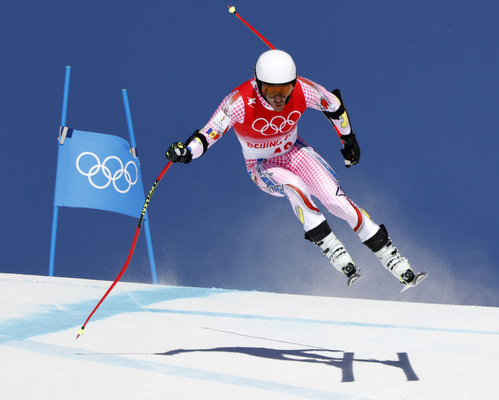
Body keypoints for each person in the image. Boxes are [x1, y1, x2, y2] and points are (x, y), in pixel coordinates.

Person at [166, 49, 426, 290]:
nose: (278, 97)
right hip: (262, 165)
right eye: (270, 90)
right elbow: (209, 134)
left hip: (295, 152)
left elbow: (334, 105)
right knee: (296, 188)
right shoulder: (239, 101)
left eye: (285, 89)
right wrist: (187, 152)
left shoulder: (303, 89)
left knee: (337, 201)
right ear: (258, 84)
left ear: (293, 83)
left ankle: (391, 256)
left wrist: (349, 141)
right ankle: (331, 247)